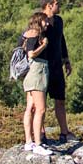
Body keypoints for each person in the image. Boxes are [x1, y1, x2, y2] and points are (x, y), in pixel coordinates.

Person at [38, 0, 76, 145]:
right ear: (49, 5)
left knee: (60, 100)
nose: (59, 5)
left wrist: (66, 60)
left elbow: (62, 39)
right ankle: (41, 133)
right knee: (41, 104)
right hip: (42, 66)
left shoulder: (59, 21)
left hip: (57, 67)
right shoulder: (39, 21)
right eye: (57, 3)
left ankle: (64, 132)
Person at [21, 12, 53, 155]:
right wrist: (44, 45)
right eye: (45, 21)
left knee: (30, 108)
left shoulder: (25, 34)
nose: (47, 24)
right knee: (40, 109)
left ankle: (29, 142)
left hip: (30, 74)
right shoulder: (35, 34)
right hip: (37, 72)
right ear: (39, 21)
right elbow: (31, 54)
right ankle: (38, 143)